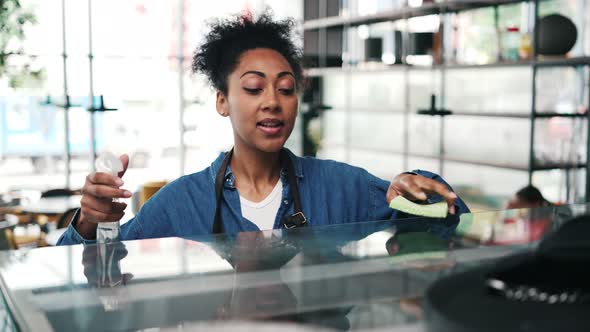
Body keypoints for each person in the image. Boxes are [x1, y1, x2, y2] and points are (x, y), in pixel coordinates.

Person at [57, 12, 469, 245]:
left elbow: (447, 223)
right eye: (254, 87)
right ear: (222, 100)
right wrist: (90, 222)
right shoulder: (181, 202)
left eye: (286, 88)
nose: (272, 100)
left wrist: (417, 189)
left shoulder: (340, 186)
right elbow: (89, 274)